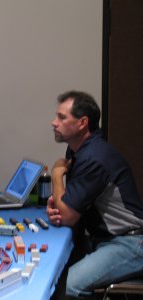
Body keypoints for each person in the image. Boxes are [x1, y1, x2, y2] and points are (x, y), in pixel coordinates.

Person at [47, 90, 143, 298]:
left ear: (82, 123)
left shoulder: (94, 158)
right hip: (104, 239)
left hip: (130, 243)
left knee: (66, 287)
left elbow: (67, 216)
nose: (54, 122)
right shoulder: (77, 151)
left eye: (62, 117)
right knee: (51, 270)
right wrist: (56, 208)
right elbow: (69, 207)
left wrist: (56, 175)